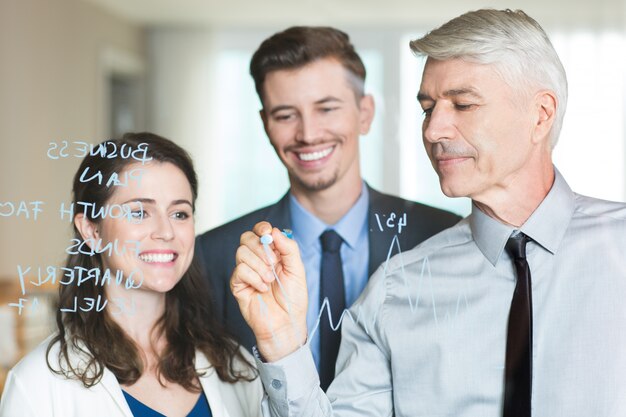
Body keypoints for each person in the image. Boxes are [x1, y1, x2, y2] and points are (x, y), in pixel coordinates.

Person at [230, 9, 626, 416]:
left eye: (463, 104)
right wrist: (283, 346)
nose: (434, 130)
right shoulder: (394, 291)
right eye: (428, 108)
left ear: (540, 115)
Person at [195, 26, 460, 390]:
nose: (308, 133)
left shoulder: (444, 236)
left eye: (327, 108)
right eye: (286, 115)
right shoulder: (214, 256)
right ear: (265, 124)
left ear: (364, 113)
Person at [0, 133, 262, 417]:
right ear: (92, 231)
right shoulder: (36, 384)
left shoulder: (236, 366)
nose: (166, 231)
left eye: (180, 214)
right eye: (139, 212)